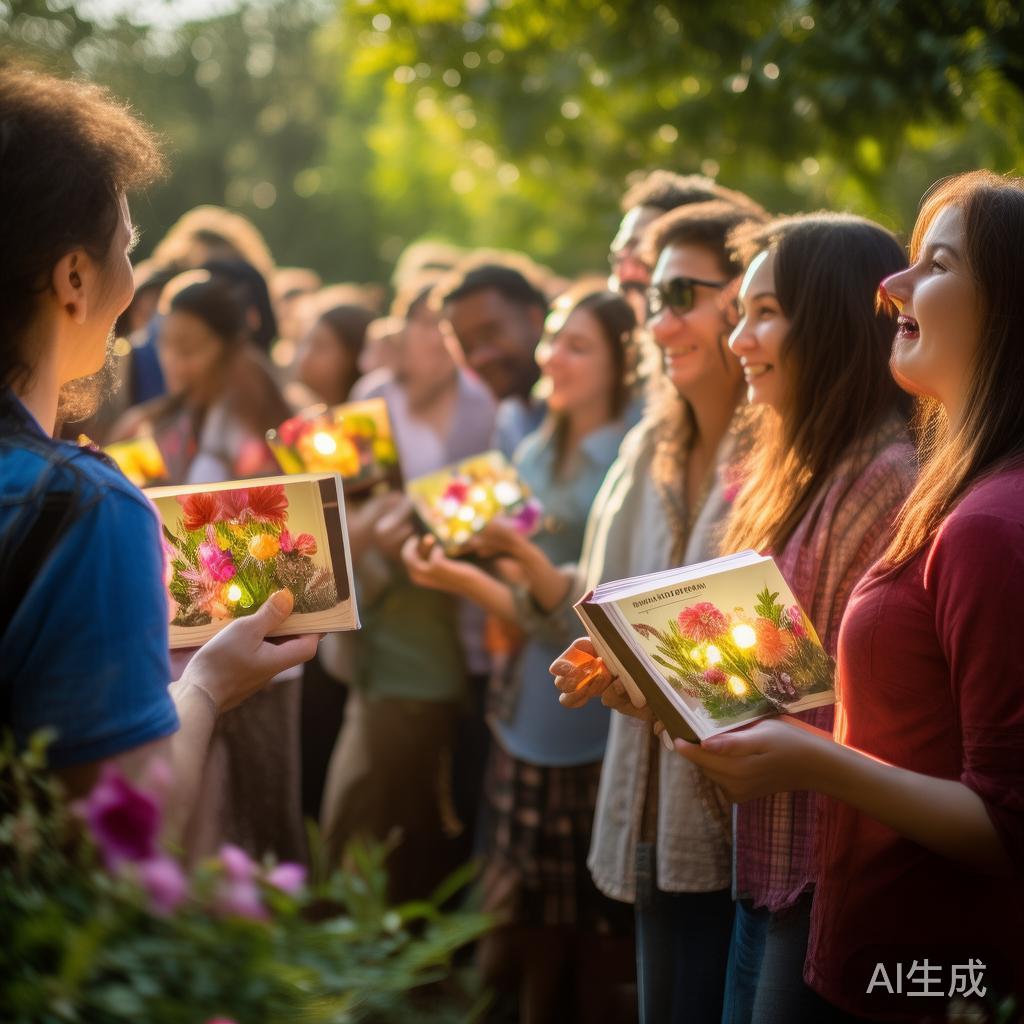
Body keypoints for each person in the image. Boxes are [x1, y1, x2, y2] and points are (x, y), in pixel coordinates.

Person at [672, 170, 1024, 1022]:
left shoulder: (986, 522)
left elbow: (1007, 824)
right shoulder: (954, 494)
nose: (893, 287)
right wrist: (665, 678)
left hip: (924, 970)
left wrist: (810, 759)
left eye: (934, 265)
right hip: (853, 924)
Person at [0, 64, 316, 842]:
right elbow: (123, 845)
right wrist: (208, 684)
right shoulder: (84, 506)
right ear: (75, 277)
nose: (134, 286)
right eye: (126, 248)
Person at [541, 197, 768, 1024]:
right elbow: (597, 602)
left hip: (745, 830)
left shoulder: (782, 451)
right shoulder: (651, 446)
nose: (657, 322)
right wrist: (600, 663)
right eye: (650, 300)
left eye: (682, 297)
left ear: (746, 299)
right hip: (645, 806)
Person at [403, 286, 638, 1024]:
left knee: (585, 938)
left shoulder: (631, 457)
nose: (551, 357)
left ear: (624, 362)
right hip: (522, 709)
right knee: (523, 929)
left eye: (577, 345)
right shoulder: (535, 441)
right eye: (554, 340)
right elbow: (532, 611)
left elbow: (591, 618)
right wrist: (465, 574)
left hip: (590, 722)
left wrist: (495, 566)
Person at [716, 213, 916, 1022]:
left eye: (765, 312)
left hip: (826, 875)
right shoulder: (804, 464)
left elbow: (865, 711)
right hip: (768, 861)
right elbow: (775, 670)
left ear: (832, 318)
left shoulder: (887, 477)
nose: (739, 339)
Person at [318, 277, 496, 902]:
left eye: (452, 329)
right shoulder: (372, 398)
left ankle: (396, 923)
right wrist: (375, 533)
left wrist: (434, 533)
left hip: (458, 619)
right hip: (381, 612)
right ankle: (364, 921)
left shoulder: (486, 407)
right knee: (367, 786)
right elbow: (341, 514)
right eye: (429, 324)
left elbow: (498, 517)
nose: (441, 340)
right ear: (405, 327)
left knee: (422, 791)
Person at [111, 270, 289, 483]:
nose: (171, 361)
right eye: (165, 344)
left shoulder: (251, 427)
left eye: (187, 349)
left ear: (228, 349)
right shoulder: (165, 419)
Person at [437, 261, 549, 458]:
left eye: (490, 334)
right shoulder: (511, 419)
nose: (480, 357)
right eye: (466, 346)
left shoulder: (589, 409)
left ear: (534, 319)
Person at [293, 303, 375, 408]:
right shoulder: (305, 417)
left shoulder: (371, 417)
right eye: (304, 342)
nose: (304, 356)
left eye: (320, 347)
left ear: (353, 356)